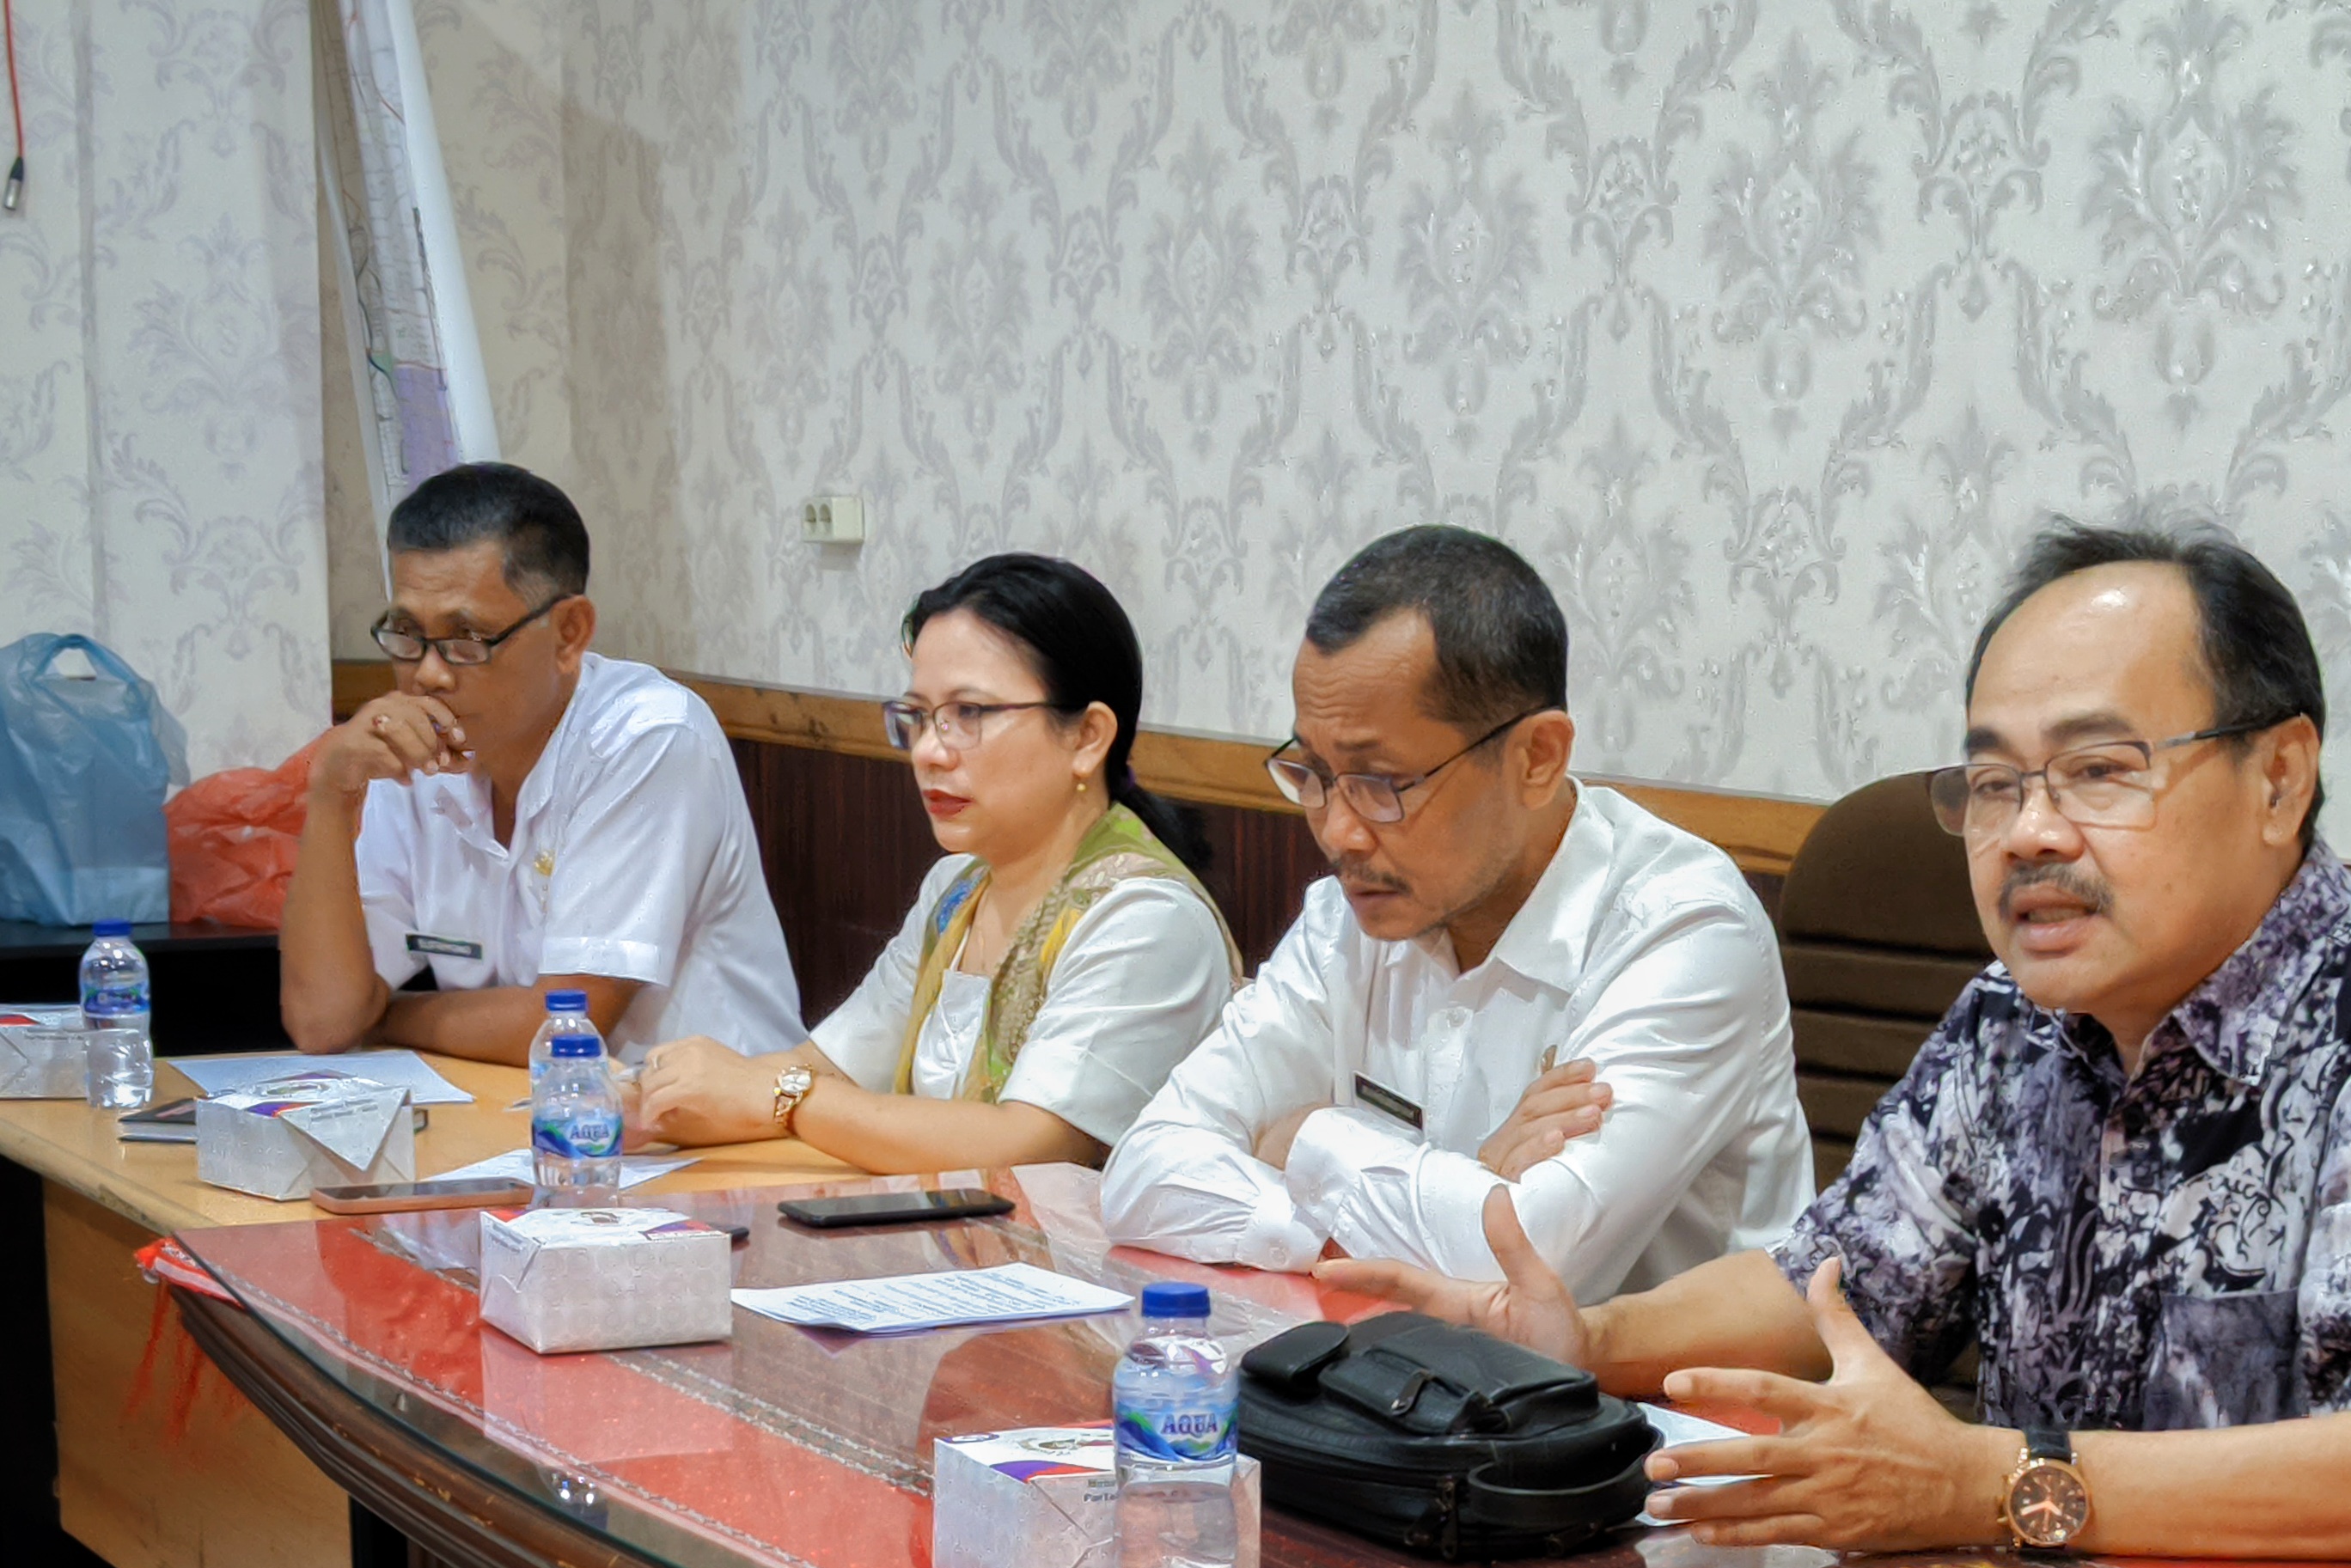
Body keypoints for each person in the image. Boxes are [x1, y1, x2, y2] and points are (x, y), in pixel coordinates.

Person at [1324, 521, 2351, 1568]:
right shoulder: (2017, 1023)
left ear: (2277, 779)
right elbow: (1833, 1282)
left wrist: (1997, 1484)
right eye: (1993, 785)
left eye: (2097, 770)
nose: (2028, 832)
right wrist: (1582, 1339)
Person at [1099, 525, 1811, 1303]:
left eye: (1382, 782)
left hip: (1664, 1409)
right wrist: (1472, 1178)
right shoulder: (1353, 913)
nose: (1338, 831)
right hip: (1394, 1376)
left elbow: (1534, 1272)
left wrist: (1298, 1138)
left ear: (1536, 757)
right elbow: (1142, 1172)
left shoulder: (1684, 930)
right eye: (1313, 773)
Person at [628, 554, 1237, 1172]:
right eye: (918, 717)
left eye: (968, 715)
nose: (928, 751)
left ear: (1087, 737)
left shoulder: (1146, 916)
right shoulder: (957, 886)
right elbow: (828, 1067)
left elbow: (1030, 1146)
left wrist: (782, 1098)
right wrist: (649, 1097)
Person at [281, 463, 803, 1065]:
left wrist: (385, 1014)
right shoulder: (415, 747)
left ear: (569, 633)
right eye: (406, 633)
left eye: (466, 637)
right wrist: (330, 795)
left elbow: (567, 1024)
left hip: (711, 1136)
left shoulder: (647, 736)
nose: (427, 672)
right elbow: (323, 1020)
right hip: (535, 1117)